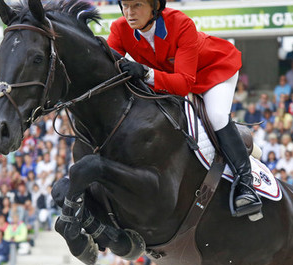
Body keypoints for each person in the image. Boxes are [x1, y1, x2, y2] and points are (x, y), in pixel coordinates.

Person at [108, 0, 261, 218]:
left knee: (216, 117)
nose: (129, 13)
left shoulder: (180, 23)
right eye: (125, 6)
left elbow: (183, 85)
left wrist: (145, 73)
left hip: (213, 70)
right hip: (171, 77)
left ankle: (247, 185)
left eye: (137, 5)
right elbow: (108, 67)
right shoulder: (119, 28)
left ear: (154, 7)